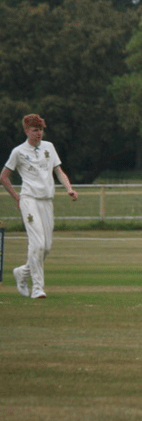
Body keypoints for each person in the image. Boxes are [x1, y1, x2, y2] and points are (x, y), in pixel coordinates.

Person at [1, 114, 78, 299]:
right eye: (35, 130)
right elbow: (3, 177)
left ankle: (23, 272)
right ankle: (37, 288)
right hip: (29, 200)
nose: (38, 134)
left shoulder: (49, 147)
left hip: (46, 201)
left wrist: (69, 189)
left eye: (41, 130)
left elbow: (58, 170)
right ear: (26, 130)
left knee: (47, 247)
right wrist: (17, 198)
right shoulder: (18, 152)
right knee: (37, 244)